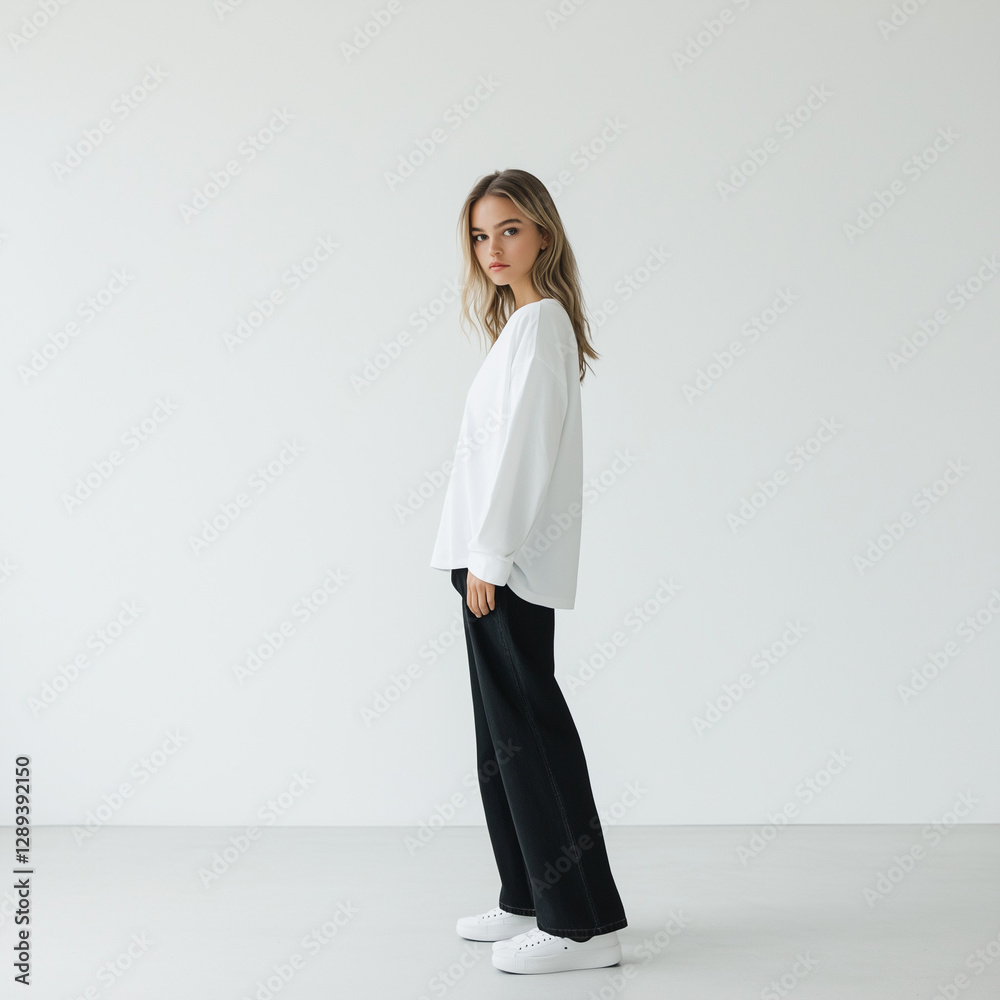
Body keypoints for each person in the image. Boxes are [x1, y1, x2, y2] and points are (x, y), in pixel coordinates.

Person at [429, 168, 628, 975]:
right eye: (481, 235)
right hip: (483, 559)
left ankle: (584, 926)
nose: (493, 248)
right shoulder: (520, 327)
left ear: (543, 231)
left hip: (501, 565)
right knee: (500, 740)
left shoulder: (542, 323)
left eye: (509, 229)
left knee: (529, 736)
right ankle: (526, 897)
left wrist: (492, 554)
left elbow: (525, 451)